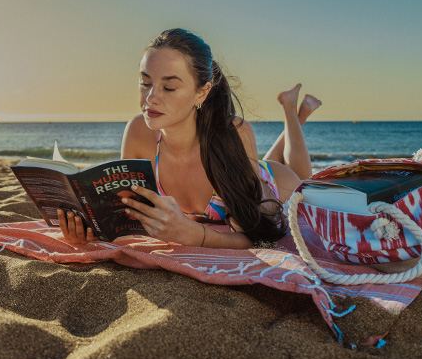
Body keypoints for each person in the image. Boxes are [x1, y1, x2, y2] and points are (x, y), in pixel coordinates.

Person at [59, 28, 320, 248]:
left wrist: (197, 236)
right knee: (263, 163)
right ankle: (295, 114)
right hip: (247, 171)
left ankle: (293, 112)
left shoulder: (235, 132)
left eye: (169, 87)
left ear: (202, 93)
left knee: (303, 178)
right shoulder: (139, 132)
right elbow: (127, 217)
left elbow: (259, 236)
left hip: (273, 185)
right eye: (145, 82)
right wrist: (88, 230)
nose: (151, 98)